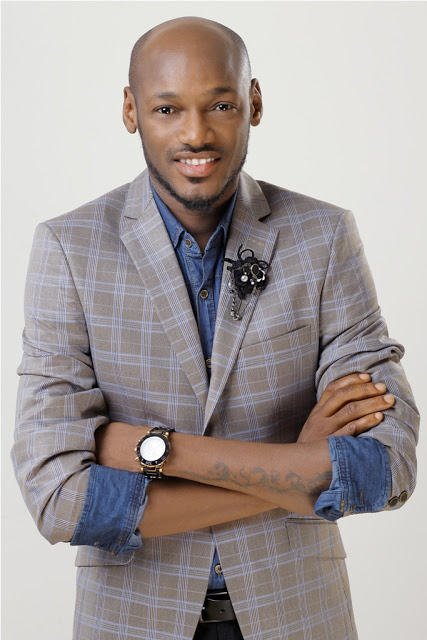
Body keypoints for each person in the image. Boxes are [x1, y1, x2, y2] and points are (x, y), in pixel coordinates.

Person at [12, 16, 419, 640]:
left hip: (300, 617)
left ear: (254, 103)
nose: (195, 134)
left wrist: (153, 450)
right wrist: (298, 469)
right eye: (167, 108)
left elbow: (385, 468)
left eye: (220, 104)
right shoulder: (69, 249)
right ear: (131, 111)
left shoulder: (324, 237)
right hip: (131, 621)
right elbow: (58, 499)